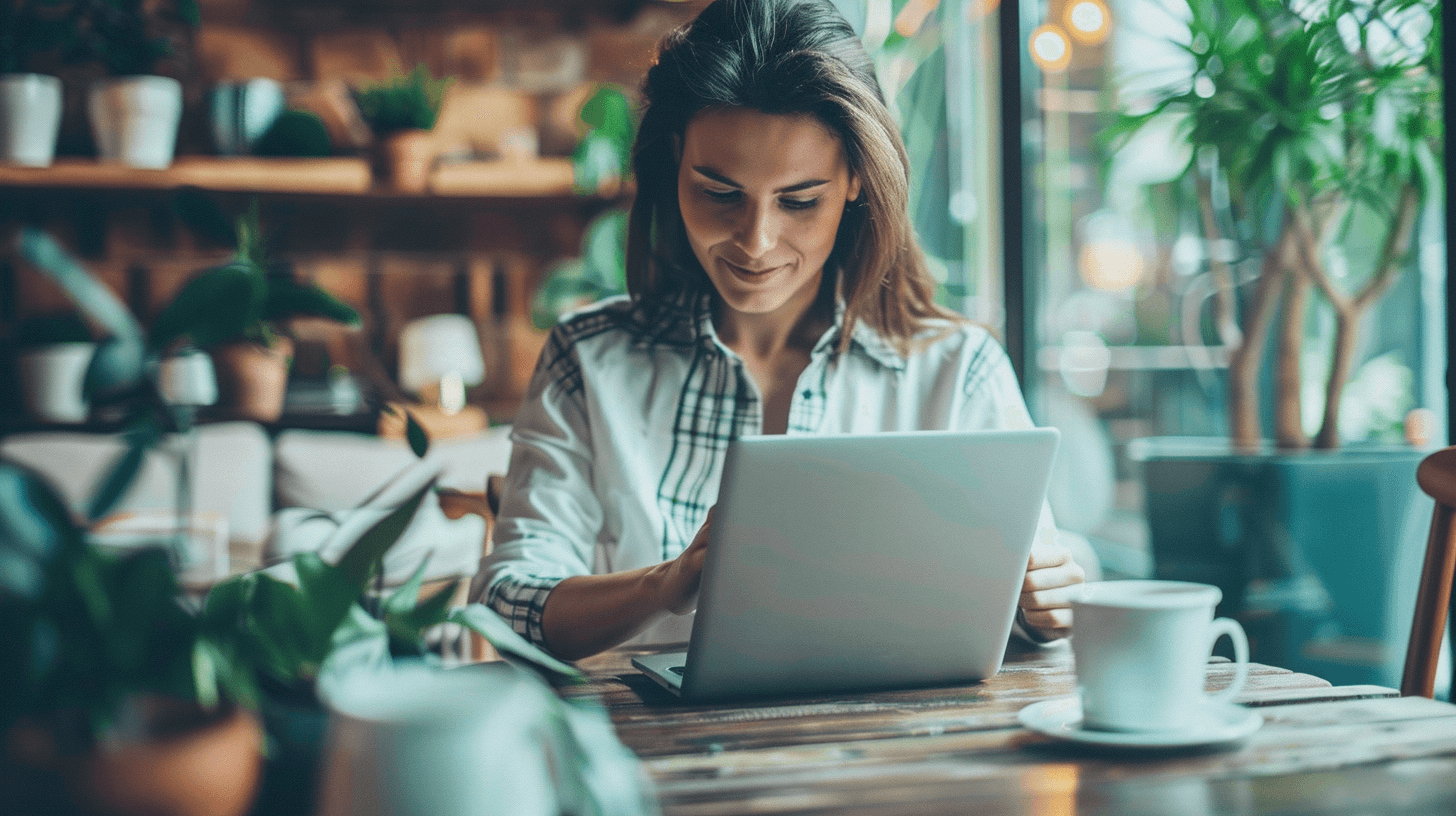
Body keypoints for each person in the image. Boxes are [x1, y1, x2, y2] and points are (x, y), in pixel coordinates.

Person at [472, 0, 1086, 661]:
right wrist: (669, 583)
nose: (756, 242)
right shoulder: (588, 361)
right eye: (719, 192)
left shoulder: (958, 370)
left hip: (894, 752)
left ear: (856, 180)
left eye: (799, 201)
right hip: (648, 759)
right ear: (674, 162)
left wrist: (1045, 606)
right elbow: (509, 603)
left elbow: (1033, 606)